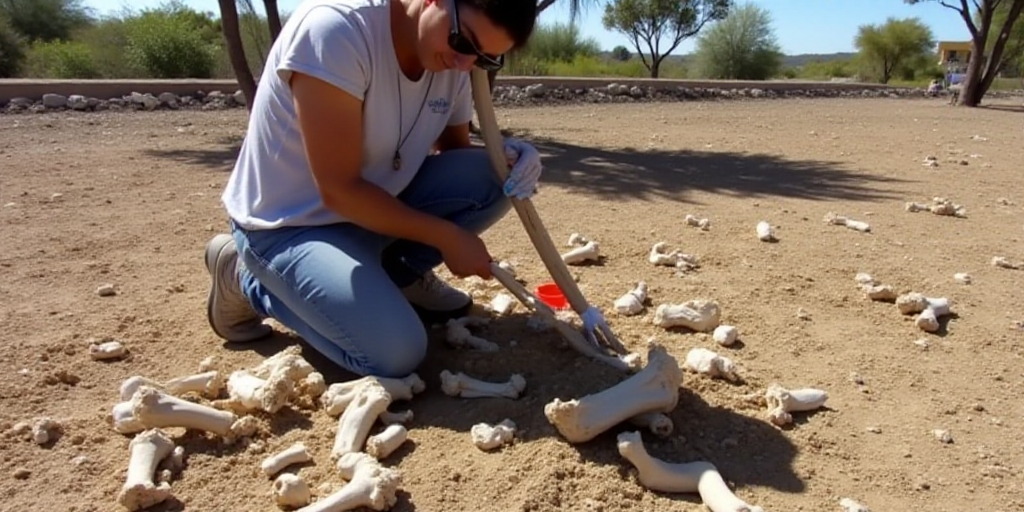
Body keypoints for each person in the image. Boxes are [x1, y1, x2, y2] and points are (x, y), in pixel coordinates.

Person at [203, 0, 540, 378]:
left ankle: (395, 279)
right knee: (396, 354)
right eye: (465, 42)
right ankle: (245, 278)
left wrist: (509, 156)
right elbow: (339, 189)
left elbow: (457, 155)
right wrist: (446, 237)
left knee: (493, 176)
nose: (465, 65)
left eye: (485, 59)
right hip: (290, 227)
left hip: (373, 215)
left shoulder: (453, 59)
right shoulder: (336, 31)